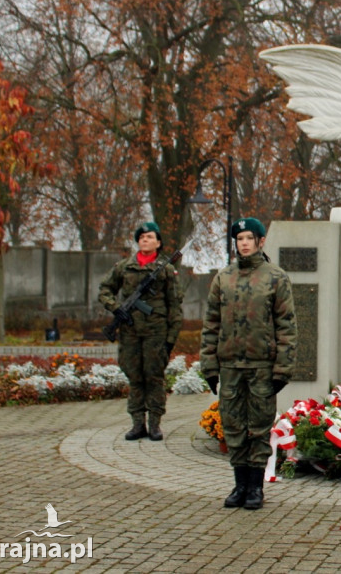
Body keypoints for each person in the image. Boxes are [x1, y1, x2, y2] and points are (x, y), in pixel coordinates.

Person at [200, 217, 297, 510]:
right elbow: (211, 324)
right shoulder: (223, 277)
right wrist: (209, 365)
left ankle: (255, 487)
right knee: (233, 427)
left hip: (261, 367)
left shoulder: (276, 278)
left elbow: (286, 326)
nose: (243, 243)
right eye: (239, 238)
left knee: (257, 428)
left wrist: (282, 368)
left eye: (248, 238)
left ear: (261, 241)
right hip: (229, 366)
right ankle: (239, 484)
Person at [98, 221, 184, 442]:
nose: (145, 240)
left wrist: (170, 339)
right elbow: (105, 290)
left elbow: (174, 306)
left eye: (150, 237)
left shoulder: (165, 271)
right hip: (130, 333)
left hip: (156, 334)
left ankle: (155, 425)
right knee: (134, 377)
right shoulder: (124, 267)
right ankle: (138, 424)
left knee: (154, 377)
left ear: (158, 243)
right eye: (141, 237)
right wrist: (116, 308)